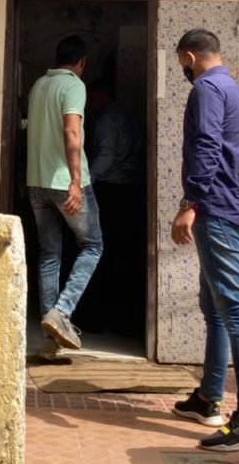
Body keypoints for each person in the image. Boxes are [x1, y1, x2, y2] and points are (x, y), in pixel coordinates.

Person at [170, 28, 239, 452]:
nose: (183, 70)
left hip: (217, 212)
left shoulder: (206, 90)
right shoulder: (235, 91)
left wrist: (190, 203)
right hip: (236, 210)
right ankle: (208, 398)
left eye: (181, 63)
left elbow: (208, 147)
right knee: (214, 308)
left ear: (189, 57)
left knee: (234, 309)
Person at [26, 34, 103, 359]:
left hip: (37, 182)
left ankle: (49, 341)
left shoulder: (38, 86)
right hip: (65, 182)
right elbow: (71, 130)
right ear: (82, 62)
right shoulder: (73, 85)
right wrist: (75, 181)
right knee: (92, 245)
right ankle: (62, 311)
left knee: (49, 254)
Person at [74, 79, 145, 337]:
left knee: (100, 255)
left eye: (92, 99)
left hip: (111, 192)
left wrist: (84, 183)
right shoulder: (130, 116)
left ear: (102, 96)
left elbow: (106, 155)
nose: (89, 105)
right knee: (126, 259)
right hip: (133, 191)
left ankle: (95, 319)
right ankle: (125, 322)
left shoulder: (107, 121)